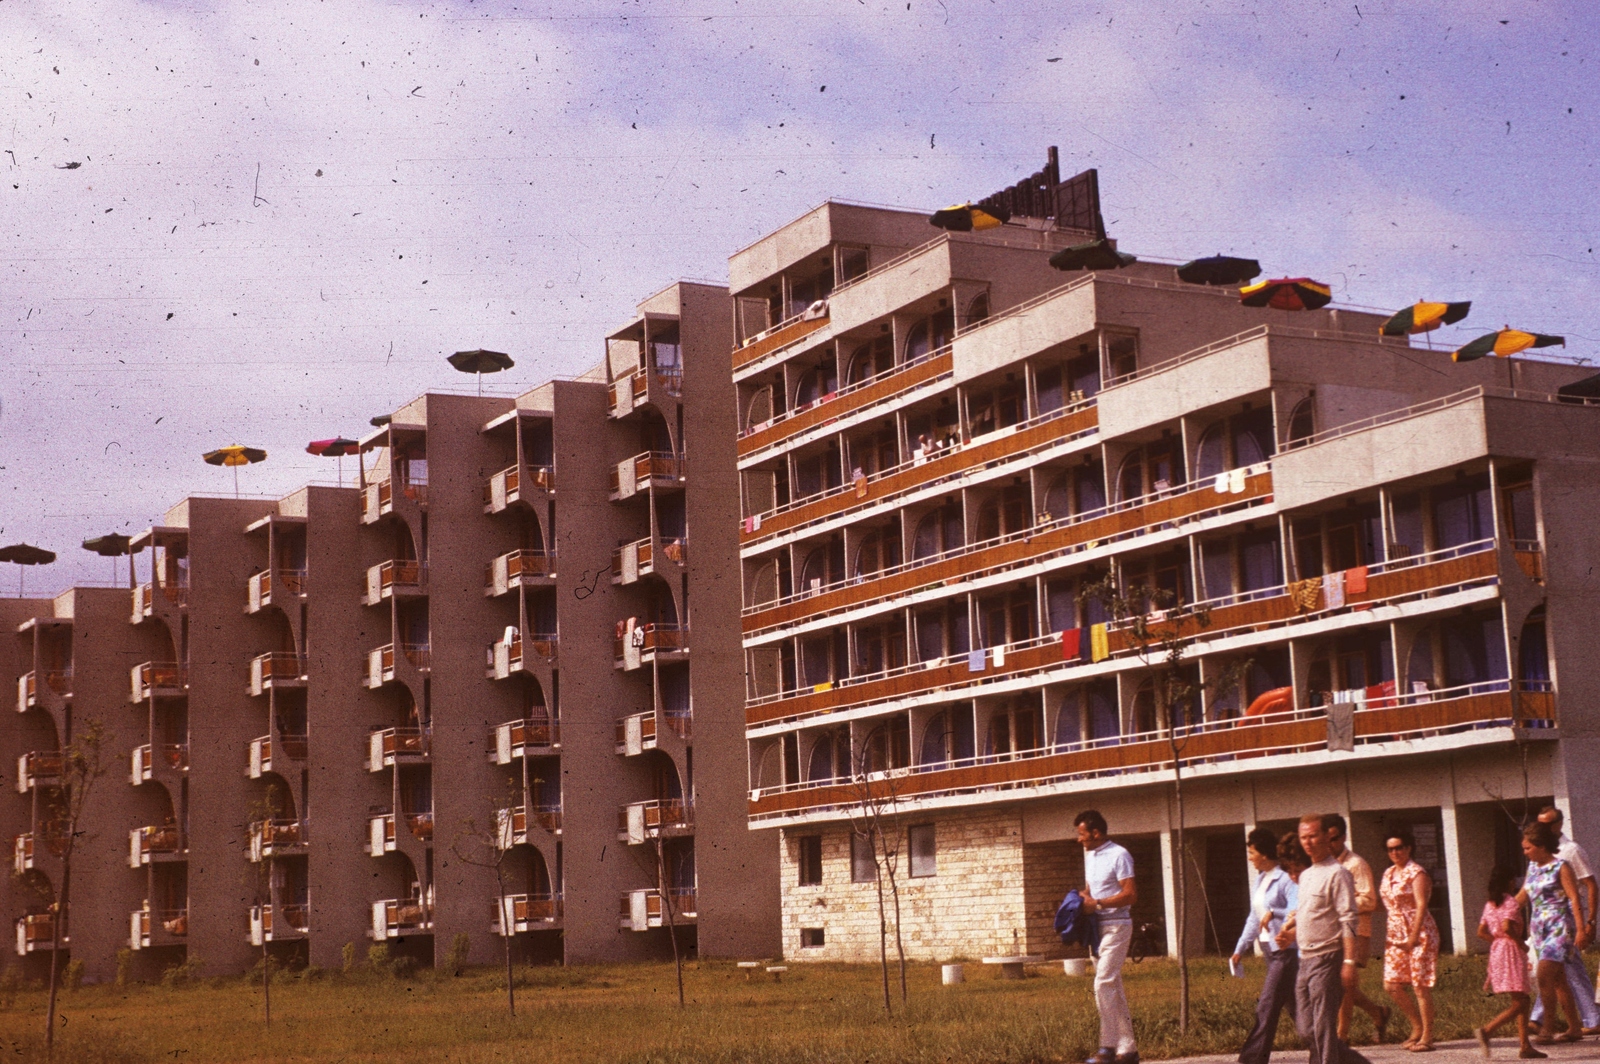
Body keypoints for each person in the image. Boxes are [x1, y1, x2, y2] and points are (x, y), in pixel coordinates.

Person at [1277, 813, 1370, 1064]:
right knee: (1307, 1029)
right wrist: (1290, 934)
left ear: (1326, 837)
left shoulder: (1338, 873)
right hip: (1305, 959)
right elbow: (1310, 915)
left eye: (1313, 836)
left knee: (1323, 1030)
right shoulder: (1307, 875)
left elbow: (1348, 919)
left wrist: (1349, 963)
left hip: (1328, 957)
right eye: (1303, 837)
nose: (1308, 842)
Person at [1517, 820, 1591, 1044]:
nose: (1525, 852)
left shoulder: (1562, 867)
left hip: (1560, 927)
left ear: (1541, 846)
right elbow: (1524, 894)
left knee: (1544, 975)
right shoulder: (1533, 868)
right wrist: (1503, 911)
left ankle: (1547, 1027)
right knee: (1559, 980)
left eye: (1528, 848)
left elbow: (1574, 898)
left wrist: (1581, 929)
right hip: (1539, 928)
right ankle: (1574, 1028)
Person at [1529, 805, 1599, 1035]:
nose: (1542, 828)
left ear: (1558, 824)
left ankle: (1541, 1020)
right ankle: (1587, 1019)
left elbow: (1589, 884)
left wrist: (1589, 922)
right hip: (1543, 918)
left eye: (1547, 824)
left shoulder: (1570, 850)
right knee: (1557, 969)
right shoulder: (1536, 851)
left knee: (1560, 967)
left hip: (1566, 915)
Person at [1076, 809, 1138, 1064]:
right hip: (1096, 929)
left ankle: (1107, 1048)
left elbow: (1131, 894)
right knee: (1113, 987)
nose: (1079, 839)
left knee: (1102, 983)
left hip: (1117, 926)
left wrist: (1098, 903)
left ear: (1096, 833)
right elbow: (1091, 890)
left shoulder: (1119, 855)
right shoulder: (1090, 856)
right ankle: (1128, 1049)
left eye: (1082, 834)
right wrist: (1079, 899)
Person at [1234, 827, 1299, 1064]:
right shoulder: (1260, 879)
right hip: (1269, 952)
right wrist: (1240, 948)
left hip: (1285, 951)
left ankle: (1251, 1060)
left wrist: (1274, 912)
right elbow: (1254, 916)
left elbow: (1296, 910)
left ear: (1263, 853)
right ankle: (1332, 1051)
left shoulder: (1285, 879)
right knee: (1297, 1011)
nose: (1250, 857)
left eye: (1252, 852)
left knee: (1267, 1006)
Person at [1325, 813, 1391, 1044]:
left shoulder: (1356, 864)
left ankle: (1341, 1035)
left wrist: (1341, 904)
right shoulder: (1326, 864)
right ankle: (1377, 1012)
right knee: (1341, 985)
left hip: (1356, 931)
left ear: (1343, 837)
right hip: (1333, 932)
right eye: (1326, 838)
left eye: (1333, 838)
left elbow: (1370, 900)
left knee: (1344, 984)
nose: (1329, 843)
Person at [1379, 828, 1441, 1051]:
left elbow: (1422, 905)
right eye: (1390, 849)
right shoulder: (1388, 874)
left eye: (1399, 848)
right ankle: (1416, 1026)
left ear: (1408, 848)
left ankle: (1427, 1036)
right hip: (1395, 934)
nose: (1394, 852)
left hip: (1419, 932)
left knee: (1419, 986)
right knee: (1392, 984)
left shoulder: (1417, 873)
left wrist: (1413, 938)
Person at [1473, 865, 1543, 1060]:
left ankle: (1525, 1045)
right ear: (1510, 882)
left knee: (1519, 997)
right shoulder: (1510, 902)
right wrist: (1520, 943)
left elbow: (1481, 931)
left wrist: (1497, 940)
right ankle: (1488, 1030)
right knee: (1522, 1000)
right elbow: (1507, 925)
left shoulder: (1490, 904)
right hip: (1511, 950)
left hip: (1497, 949)